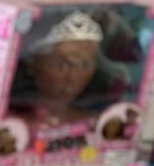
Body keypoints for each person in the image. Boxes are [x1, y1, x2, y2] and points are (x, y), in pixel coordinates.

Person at [7, 9, 130, 142]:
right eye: (62, 65)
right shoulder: (12, 124)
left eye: (84, 65)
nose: (73, 77)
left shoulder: (97, 121)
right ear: (32, 64)